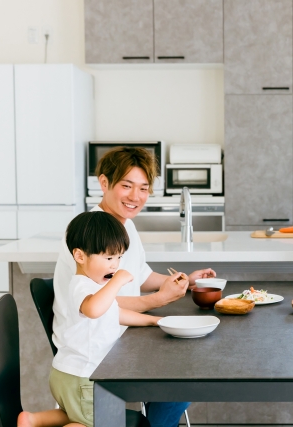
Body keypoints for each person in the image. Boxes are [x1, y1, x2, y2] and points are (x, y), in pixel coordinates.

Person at [53, 146, 215, 426]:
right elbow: (103, 304)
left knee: (185, 368)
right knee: (179, 380)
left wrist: (182, 281)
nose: (135, 197)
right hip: (97, 349)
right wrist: (158, 301)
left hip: (117, 335)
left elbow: (139, 276)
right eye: (127, 186)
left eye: (143, 188)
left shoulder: (124, 226)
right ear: (104, 183)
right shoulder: (92, 234)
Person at [19, 211, 163, 427]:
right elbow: (93, 309)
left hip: (70, 375)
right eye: (108, 258)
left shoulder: (97, 286)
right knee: (96, 422)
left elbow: (115, 313)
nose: (115, 265)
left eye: (119, 258)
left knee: (78, 413)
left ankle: (33, 420)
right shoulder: (81, 285)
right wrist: (117, 282)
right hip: (83, 378)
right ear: (79, 257)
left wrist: (154, 321)